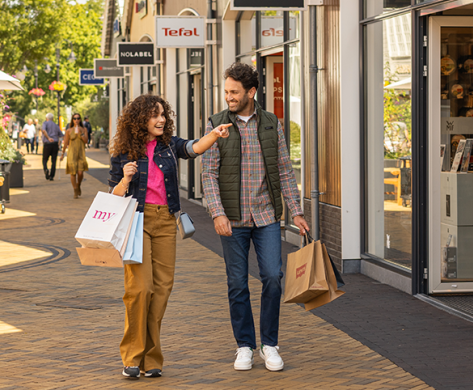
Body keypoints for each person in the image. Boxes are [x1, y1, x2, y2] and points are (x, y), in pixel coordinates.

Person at [109, 94, 231, 379]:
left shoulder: (168, 146)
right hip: (136, 222)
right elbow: (112, 196)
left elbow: (193, 148)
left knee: (161, 290)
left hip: (165, 221)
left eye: (163, 114)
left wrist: (214, 134)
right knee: (139, 290)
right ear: (140, 119)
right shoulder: (124, 153)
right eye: (154, 114)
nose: (161, 119)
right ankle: (132, 356)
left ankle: (152, 358)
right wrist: (126, 180)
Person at [201, 62, 310, 373]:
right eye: (226, 92)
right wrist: (217, 212)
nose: (229, 97)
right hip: (232, 221)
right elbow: (208, 174)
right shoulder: (218, 124)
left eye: (234, 92)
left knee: (273, 277)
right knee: (237, 284)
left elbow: (284, 170)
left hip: (266, 216)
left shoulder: (270, 124)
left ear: (251, 92)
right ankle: (245, 346)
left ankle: (269, 344)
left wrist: (297, 211)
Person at [60, 114, 89, 198]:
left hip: (81, 153)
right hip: (71, 153)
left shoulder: (84, 129)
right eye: (74, 118)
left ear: (80, 120)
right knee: (73, 172)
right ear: (72, 120)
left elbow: (86, 141)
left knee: (80, 173)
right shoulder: (69, 130)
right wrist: (62, 154)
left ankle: (78, 184)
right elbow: (65, 142)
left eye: (78, 118)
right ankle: (75, 189)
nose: (76, 120)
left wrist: (81, 133)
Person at [39, 113, 63, 180]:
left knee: (45, 159)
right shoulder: (56, 125)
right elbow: (61, 135)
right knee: (54, 160)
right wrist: (59, 143)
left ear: (46, 118)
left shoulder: (45, 123)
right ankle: (52, 176)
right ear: (52, 118)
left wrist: (48, 138)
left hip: (47, 144)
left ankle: (46, 170)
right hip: (55, 144)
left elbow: (43, 130)